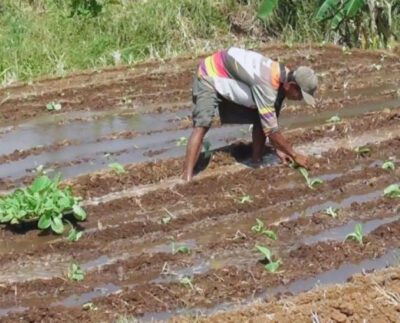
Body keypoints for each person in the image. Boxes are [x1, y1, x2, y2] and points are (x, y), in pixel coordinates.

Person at [183, 47, 318, 181]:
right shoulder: (267, 84)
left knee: (262, 115)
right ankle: (186, 178)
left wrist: (280, 149)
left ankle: (256, 160)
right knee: (202, 125)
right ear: (291, 85)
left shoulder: (284, 75)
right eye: (300, 94)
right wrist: (294, 155)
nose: (300, 99)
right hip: (209, 73)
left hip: (230, 71)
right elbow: (271, 130)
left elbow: (269, 120)